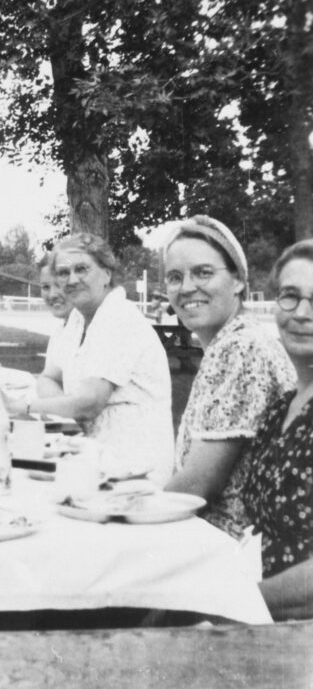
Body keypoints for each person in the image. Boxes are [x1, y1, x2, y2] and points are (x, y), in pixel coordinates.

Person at [163, 215, 295, 539]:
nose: (187, 287)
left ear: (238, 280)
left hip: (233, 553)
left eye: (203, 272)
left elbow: (197, 485)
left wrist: (126, 513)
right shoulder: (231, 342)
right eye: (175, 277)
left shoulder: (241, 347)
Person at [14, 233, 174, 486]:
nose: (72, 279)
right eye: (63, 273)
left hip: (136, 469)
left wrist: (22, 408)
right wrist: (65, 405)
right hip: (95, 456)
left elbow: (88, 404)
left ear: (107, 274)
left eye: (82, 269)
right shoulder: (80, 317)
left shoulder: (117, 318)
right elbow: (49, 376)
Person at [243, 240, 313, 620]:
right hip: (262, 609)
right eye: (290, 296)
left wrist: (232, 601)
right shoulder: (280, 408)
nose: (302, 313)